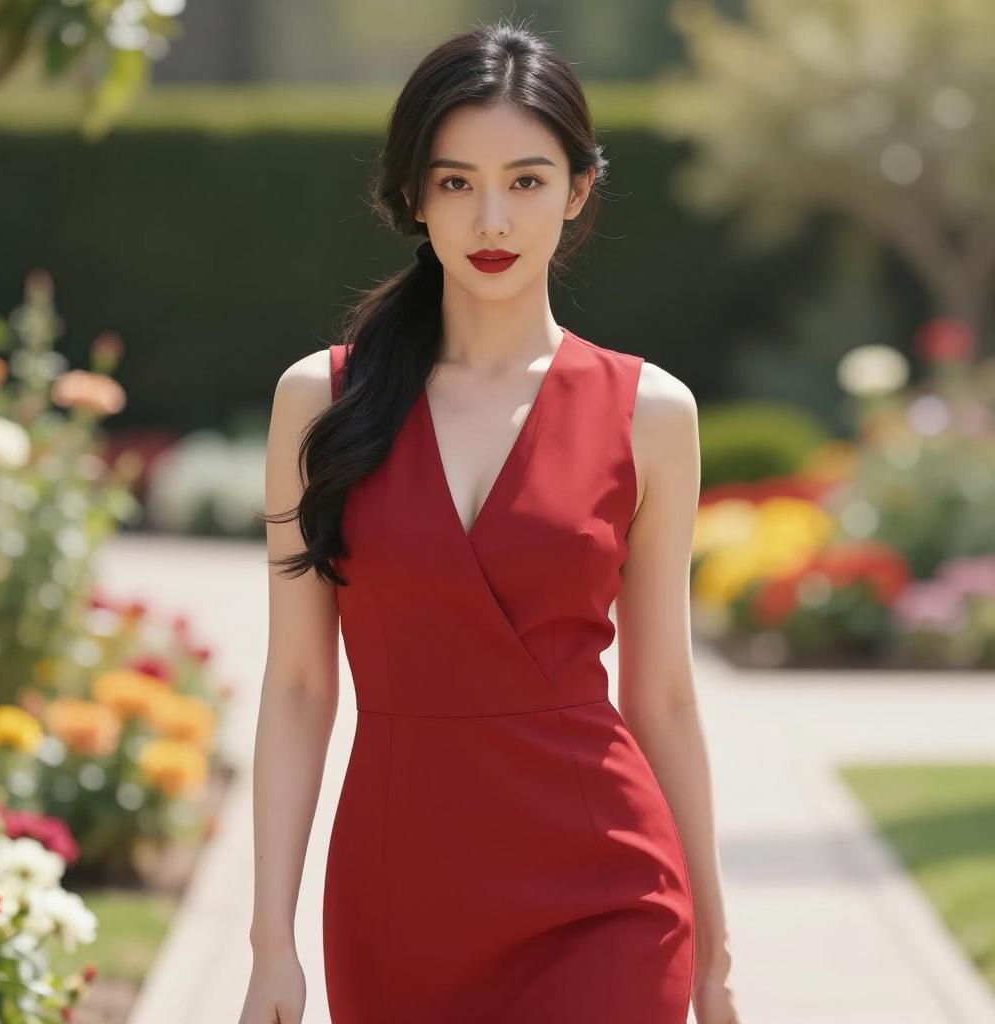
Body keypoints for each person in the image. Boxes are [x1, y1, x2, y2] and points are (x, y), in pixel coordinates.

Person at [240, 17, 741, 1024]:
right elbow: (299, 686)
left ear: (577, 190)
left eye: (525, 179)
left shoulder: (652, 414)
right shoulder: (320, 403)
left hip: (608, 893)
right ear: (413, 197)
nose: (491, 220)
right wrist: (269, 943)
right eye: (455, 182)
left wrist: (715, 953)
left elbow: (664, 696)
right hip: (399, 893)